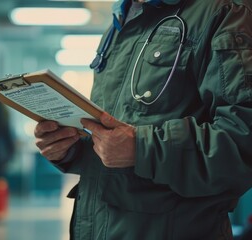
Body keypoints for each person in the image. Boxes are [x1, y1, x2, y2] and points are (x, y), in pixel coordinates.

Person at [34, 0, 252, 239]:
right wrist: (70, 148)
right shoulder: (120, 23)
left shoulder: (225, 12)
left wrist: (141, 148)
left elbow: (243, 141)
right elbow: (118, 132)